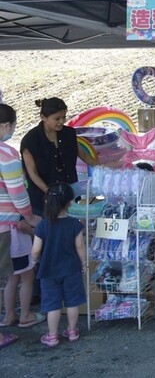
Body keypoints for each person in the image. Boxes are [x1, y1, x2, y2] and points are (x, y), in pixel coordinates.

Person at [0, 104, 41, 348]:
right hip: (8, 226)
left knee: (8, 278)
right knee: (22, 273)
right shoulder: (6, 154)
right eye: (12, 126)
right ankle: (24, 315)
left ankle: (9, 316)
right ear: (6, 126)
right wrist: (29, 217)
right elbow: (17, 192)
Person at [20, 98, 97, 219]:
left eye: (64, 117)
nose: (61, 121)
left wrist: (103, 167)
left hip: (69, 190)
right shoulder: (30, 140)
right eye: (57, 118)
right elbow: (33, 173)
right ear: (43, 117)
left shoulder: (69, 133)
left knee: (71, 226)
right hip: (42, 196)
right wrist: (49, 192)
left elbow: (84, 156)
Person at [31, 182, 87, 347]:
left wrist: (34, 261)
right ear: (69, 203)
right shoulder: (75, 224)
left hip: (48, 271)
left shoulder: (42, 225)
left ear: (48, 202)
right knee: (72, 302)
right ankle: (72, 331)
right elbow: (80, 247)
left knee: (52, 304)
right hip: (71, 269)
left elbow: (35, 250)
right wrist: (84, 263)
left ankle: (52, 335)